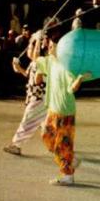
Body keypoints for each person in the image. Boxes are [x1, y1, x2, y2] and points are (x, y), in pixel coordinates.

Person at [39, 34, 88, 185]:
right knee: (46, 135)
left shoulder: (66, 66)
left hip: (65, 112)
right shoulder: (51, 61)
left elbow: (72, 88)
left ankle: (67, 176)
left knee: (63, 145)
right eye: (49, 45)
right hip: (53, 110)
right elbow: (35, 58)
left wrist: (79, 79)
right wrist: (36, 40)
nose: (49, 47)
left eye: (52, 45)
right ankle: (70, 160)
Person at [2, 30, 49, 156]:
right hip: (38, 98)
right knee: (46, 125)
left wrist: (38, 40)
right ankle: (58, 145)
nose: (28, 49)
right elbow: (27, 74)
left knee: (27, 121)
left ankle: (16, 145)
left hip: (39, 98)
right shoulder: (35, 63)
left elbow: (37, 79)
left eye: (30, 47)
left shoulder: (41, 61)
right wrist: (17, 67)